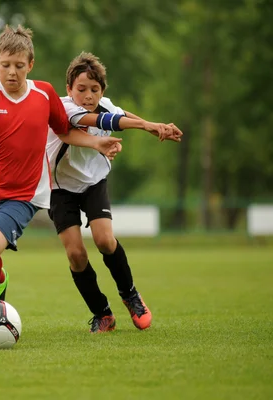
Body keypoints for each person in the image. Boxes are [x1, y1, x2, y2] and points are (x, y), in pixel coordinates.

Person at [0, 25, 122, 339]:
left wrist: (96, 143)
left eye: (19, 66)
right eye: (5, 65)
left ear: (30, 65)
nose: (12, 72)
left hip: (22, 195)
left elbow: (63, 131)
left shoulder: (44, 94)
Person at [46, 52, 183, 333]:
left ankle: (131, 294)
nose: (88, 95)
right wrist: (146, 125)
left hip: (94, 181)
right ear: (69, 89)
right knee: (76, 255)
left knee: (105, 241)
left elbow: (119, 115)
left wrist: (152, 126)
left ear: (102, 91)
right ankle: (102, 313)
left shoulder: (104, 103)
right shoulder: (64, 109)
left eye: (94, 90)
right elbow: (107, 123)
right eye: (81, 89)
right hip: (59, 188)